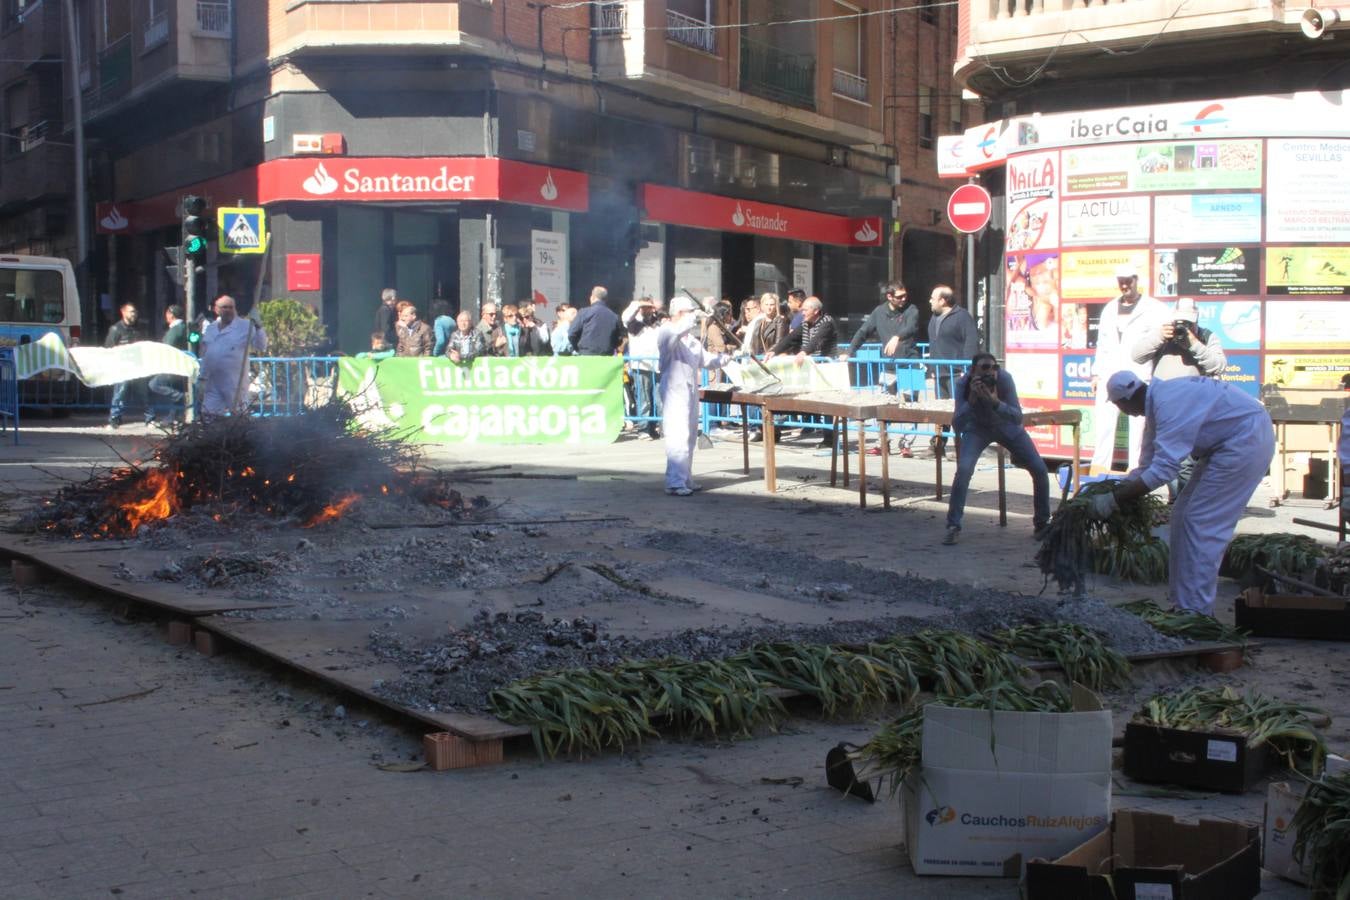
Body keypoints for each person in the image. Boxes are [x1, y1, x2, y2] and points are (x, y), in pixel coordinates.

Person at [1090, 371, 1274, 616]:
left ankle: (1196, 612)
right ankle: (1183, 604)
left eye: (1118, 406)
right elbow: (1147, 465)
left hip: (1246, 440)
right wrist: (1115, 489)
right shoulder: (1157, 402)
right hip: (1229, 443)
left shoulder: (1168, 404)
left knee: (1201, 523)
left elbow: (1163, 471)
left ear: (1123, 402)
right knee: (1182, 514)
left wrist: (1113, 500)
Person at [942, 353, 1051, 545]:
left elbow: (1017, 417)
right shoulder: (963, 384)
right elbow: (957, 424)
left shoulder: (1005, 380)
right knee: (964, 471)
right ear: (973, 370)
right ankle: (953, 525)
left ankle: (1042, 523)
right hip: (977, 430)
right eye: (985, 368)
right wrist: (972, 401)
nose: (991, 372)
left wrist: (996, 403)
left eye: (994, 368)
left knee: (1039, 468)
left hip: (1007, 428)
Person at [1131, 296, 1228, 500]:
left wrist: (1193, 344)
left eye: (1189, 323)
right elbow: (1137, 355)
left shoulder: (1206, 336)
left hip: (1191, 412)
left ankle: (1181, 503)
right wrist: (1159, 337)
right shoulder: (1163, 334)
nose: (1183, 327)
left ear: (1196, 320)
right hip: (1161, 409)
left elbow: (1218, 365)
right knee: (1157, 459)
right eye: (1180, 322)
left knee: (1185, 463)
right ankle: (1175, 502)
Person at [1090, 264, 1166, 473]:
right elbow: (1102, 344)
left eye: (1128, 280)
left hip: (1138, 375)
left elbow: (1162, 341)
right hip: (1110, 374)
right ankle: (1099, 473)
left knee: (1139, 429)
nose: (1124, 285)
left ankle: (1136, 472)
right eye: (1120, 280)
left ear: (1136, 280)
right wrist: (1096, 373)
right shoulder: (1109, 309)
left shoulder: (1154, 308)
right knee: (1104, 426)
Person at [658, 296, 730, 496]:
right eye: (689, 313)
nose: (693, 318)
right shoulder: (666, 331)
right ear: (679, 314)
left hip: (689, 389)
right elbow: (677, 329)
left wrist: (727, 358)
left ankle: (685, 478)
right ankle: (674, 482)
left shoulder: (691, 340)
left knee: (689, 436)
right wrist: (698, 314)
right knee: (677, 435)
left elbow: (706, 361)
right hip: (673, 389)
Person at [841, 282, 921, 457]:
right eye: (899, 297)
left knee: (911, 404)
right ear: (889, 297)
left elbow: (912, 327)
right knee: (883, 403)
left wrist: (897, 337)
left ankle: (906, 444)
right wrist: (849, 351)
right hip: (889, 365)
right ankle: (882, 442)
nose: (904, 299)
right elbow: (863, 331)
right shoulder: (879, 312)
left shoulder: (912, 309)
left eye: (905, 295)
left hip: (910, 363)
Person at [926, 285, 979, 458]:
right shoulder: (934, 318)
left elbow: (971, 343)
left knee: (960, 411)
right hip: (940, 372)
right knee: (941, 411)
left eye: (933, 298)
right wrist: (932, 369)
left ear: (943, 300)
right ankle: (938, 444)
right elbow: (933, 344)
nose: (930, 301)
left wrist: (967, 369)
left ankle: (963, 446)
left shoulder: (962, 317)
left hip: (957, 373)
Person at [199, 295, 268, 417]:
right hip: (213, 381)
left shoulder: (245, 326)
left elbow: (261, 346)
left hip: (234, 382)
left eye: (231, 307)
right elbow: (206, 354)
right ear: (217, 309)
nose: (228, 310)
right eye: (224, 307)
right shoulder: (211, 328)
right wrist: (202, 377)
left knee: (239, 415)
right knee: (208, 415)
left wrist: (258, 326)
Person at [105, 302, 151, 428]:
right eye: (131, 311)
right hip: (122, 367)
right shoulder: (116, 329)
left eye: (135, 312)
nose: (134, 314)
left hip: (138, 366)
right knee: (120, 393)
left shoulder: (138, 329)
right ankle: (115, 418)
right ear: (123, 312)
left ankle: (150, 418)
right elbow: (109, 348)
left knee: (144, 394)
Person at [623, 297, 662, 439]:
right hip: (642, 366)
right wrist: (637, 304)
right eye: (645, 307)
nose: (648, 310)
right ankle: (644, 429)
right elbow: (625, 316)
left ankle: (657, 428)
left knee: (659, 400)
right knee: (644, 400)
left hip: (657, 366)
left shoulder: (657, 323)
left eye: (650, 307)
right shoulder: (633, 323)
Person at [147, 305, 189, 423]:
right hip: (180, 367)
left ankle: (179, 397)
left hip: (174, 367)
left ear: (171, 314)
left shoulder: (175, 330)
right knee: (175, 390)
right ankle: (174, 417)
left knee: (154, 384)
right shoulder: (182, 328)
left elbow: (167, 347)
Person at [568, 286, 624, 356]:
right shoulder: (614, 316)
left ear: (593, 297)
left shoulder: (584, 313)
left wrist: (578, 348)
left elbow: (571, 333)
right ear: (605, 299)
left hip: (586, 355)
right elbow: (619, 339)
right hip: (606, 358)